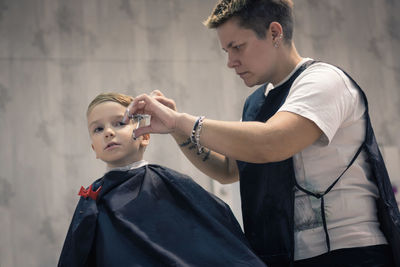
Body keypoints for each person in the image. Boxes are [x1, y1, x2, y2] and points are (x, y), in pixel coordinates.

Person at [123, 0, 400, 266]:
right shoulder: (256, 102)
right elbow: (229, 168)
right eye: (226, 51)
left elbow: (271, 143)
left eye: (237, 47)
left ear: (274, 33)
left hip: (351, 254)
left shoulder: (323, 81)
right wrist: (176, 129)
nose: (231, 61)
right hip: (282, 255)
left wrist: (182, 120)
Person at [58, 92, 266, 267]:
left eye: (119, 123)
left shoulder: (169, 184)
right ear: (94, 149)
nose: (108, 133)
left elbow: (217, 238)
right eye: (98, 129)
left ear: (145, 136)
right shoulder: (93, 198)